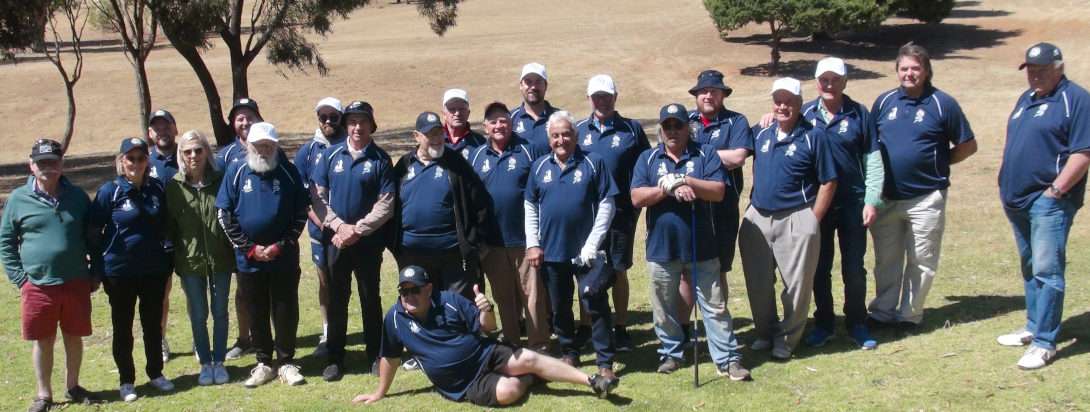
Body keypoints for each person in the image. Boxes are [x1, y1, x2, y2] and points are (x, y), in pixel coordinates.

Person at [350, 266, 618, 407]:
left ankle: (592, 381)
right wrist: (379, 393)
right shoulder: (395, 319)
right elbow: (390, 358)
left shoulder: (450, 301)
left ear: (428, 288)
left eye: (414, 290)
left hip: (485, 352)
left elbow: (487, 327)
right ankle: (527, 378)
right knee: (510, 391)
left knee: (528, 357)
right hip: (462, 384)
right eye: (404, 290)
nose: (409, 296)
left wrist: (486, 308)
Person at [631, 103, 749, 380]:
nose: (672, 131)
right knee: (663, 306)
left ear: (688, 127)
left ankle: (728, 359)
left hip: (703, 244)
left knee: (715, 306)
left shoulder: (705, 153)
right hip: (661, 246)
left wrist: (687, 180)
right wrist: (667, 187)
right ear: (661, 130)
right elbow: (637, 197)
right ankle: (671, 353)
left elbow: (719, 191)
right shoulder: (647, 159)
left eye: (678, 125)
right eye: (667, 126)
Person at [868, 43, 977, 328]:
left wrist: (940, 163)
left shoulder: (943, 104)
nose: (909, 73)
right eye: (904, 68)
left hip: (926, 198)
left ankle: (909, 315)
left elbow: (967, 145)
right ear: (897, 71)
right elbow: (870, 146)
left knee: (921, 260)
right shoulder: (884, 102)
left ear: (926, 71)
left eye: (915, 68)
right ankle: (882, 313)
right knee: (886, 261)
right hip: (887, 198)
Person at [997, 42, 1090, 369]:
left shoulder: (1075, 100)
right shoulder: (1028, 99)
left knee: (1047, 270)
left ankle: (1045, 343)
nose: (1034, 76)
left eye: (1041, 70)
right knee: (1030, 266)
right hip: (1016, 199)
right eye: (1030, 70)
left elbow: (1083, 152)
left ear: (1059, 68)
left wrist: (1056, 190)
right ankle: (1034, 326)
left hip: (1048, 201)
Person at [738, 78, 838, 360]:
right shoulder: (762, 132)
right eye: (778, 101)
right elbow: (737, 151)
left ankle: (787, 339)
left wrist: (812, 220)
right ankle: (765, 332)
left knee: (795, 285)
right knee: (757, 282)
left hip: (796, 215)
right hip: (758, 215)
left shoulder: (813, 136)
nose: (783, 106)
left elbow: (829, 181)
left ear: (799, 103)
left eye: (789, 101)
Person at [1, 139, 100, 412]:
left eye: (52, 162)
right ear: (31, 165)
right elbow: (6, 242)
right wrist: (20, 278)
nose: (47, 167)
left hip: (75, 280)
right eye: (41, 162)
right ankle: (44, 394)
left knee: (74, 336)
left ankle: (73, 386)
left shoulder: (78, 197)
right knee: (43, 340)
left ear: (62, 164)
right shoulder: (18, 199)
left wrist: (95, 272)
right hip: (37, 284)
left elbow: (92, 238)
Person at [796, 57, 882, 350]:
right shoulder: (804, 113)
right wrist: (769, 117)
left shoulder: (859, 114)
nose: (829, 85)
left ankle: (857, 322)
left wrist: (872, 200)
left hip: (852, 203)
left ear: (845, 82)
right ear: (816, 82)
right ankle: (824, 323)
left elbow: (873, 160)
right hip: (817, 204)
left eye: (835, 79)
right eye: (824, 80)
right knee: (819, 267)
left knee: (854, 267)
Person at [525, 111, 618, 379]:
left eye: (566, 134)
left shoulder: (593, 162)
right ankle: (569, 351)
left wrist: (592, 244)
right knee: (560, 305)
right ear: (549, 138)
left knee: (595, 303)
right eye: (555, 135)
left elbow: (607, 204)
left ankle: (605, 362)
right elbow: (530, 206)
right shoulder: (540, 167)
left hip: (587, 253)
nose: (561, 139)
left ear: (576, 135)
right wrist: (533, 243)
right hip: (553, 251)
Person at [215, 122, 310, 387]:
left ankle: (286, 362)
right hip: (249, 259)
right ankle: (263, 363)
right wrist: (250, 248)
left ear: (276, 146)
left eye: (269, 145)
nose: (264, 150)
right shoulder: (236, 171)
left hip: (284, 256)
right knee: (255, 310)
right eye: (259, 145)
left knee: (285, 308)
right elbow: (224, 213)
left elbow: (300, 212)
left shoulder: (288, 171)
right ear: (249, 146)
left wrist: (281, 244)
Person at [312, 100, 395, 381]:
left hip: (367, 242)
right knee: (337, 299)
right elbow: (318, 198)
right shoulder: (330, 155)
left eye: (363, 122)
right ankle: (335, 357)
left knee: (370, 298)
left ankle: (375, 355)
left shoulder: (381, 159)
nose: (357, 127)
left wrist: (357, 230)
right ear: (346, 125)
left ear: (372, 125)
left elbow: (386, 205)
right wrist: (338, 227)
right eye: (352, 122)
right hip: (336, 241)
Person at [88, 137, 175, 401]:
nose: (136, 163)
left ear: (147, 161)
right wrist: (97, 265)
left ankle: (156, 373)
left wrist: (167, 257)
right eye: (131, 158)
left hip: (153, 270)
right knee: (122, 326)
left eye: (141, 158)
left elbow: (165, 225)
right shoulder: (110, 191)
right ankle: (126, 380)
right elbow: (93, 230)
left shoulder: (157, 189)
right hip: (119, 272)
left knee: (152, 323)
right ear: (121, 161)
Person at [575, 74, 650, 352]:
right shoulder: (579, 130)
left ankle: (620, 327)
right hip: (586, 215)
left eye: (606, 95)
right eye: (596, 96)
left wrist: (636, 207)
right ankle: (586, 325)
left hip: (620, 215)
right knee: (585, 268)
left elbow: (645, 166)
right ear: (589, 98)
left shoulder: (631, 129)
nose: (602, 101)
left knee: (618, 270)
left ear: (615, 97)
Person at [469, 101, 550, 351]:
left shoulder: (528, 150)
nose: (499, 125)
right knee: (504, 297)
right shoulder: (477, 156)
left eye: (503, 120)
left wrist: (537, 237)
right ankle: (513, 344)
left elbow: (542, 190)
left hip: (525, 239)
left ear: (511, 122)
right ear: (485, 127)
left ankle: (539, 346)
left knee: (533, 297)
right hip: (492, 242)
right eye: (493, 121)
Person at [390, 111, 493, 301]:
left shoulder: (456, 164)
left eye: (439, 133)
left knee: (457, 306)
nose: (437, 139)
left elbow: (480, 204)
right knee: (420, 305)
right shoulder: (404, 165)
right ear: (417, 136)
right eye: (430, 135)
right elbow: (391, 206)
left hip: (453, 254)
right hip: (412, 253)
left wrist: (475, 244)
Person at [164, 130, 235, 386]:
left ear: (206, 151)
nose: (193, 156)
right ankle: (205, 362)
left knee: (220, 312)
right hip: (190, 262)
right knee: (198, 313)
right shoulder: (174, 186)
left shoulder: (221, 180)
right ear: (181, 156)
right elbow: (170, 227)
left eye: (198, 150)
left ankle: (219, 361)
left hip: (221, 259)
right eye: (187, 151)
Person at [687, 69, 752, 340]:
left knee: (720, 267)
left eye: (714, 91)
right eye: (703, 91)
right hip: (690, 205)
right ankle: (685, 327)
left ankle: (719, 327)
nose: (708, 95)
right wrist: (715, 158)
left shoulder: (736, 121)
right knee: (688, 268)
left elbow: (738, 157)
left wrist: (698, 157)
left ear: (723, 94)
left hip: (724, 206)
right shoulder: (686, 121)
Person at [293, 97, 347, 358]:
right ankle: (328, 332)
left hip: (350, 232)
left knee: (351, 281)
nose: (328, 121)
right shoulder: (308, 152)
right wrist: (325, 224)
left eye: (333, 117)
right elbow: (303, 197)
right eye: (323, 116)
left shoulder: (352, 145)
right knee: (325, 281)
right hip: (320, 232)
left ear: (342, 117)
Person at [218, 98, 262, 359]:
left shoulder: (271, 149)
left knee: (267, 288)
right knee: (242, 289)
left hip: (266, 236)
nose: (245, 122)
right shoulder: (224, 157)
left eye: (249, 117)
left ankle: (264, 335)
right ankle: (244, 337)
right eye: (239, 118)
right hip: (236, 236)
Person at [147, 108, 179, 364]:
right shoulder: (143, 162)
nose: (162, 131)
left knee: (197, 293)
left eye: (166, 126)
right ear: (150, 133)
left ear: (175, 128)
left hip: (189, 237)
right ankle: (160, 340)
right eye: (157, 128)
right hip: (159, 241)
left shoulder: (188, 154)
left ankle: (203, 341)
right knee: (161, 294)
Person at [511, 62, 562, 153]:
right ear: (521, 85)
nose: (533, 87)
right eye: (528, 82)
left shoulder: (560, 118)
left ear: (545, 85)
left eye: (538, 82)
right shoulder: (510, 119)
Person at [441, 88, 487, 158]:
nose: (457, 113)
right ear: (444, 114)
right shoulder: (434, 141)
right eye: (452, 109)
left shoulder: (480, 142)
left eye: (461, 109)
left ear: (468, 113)